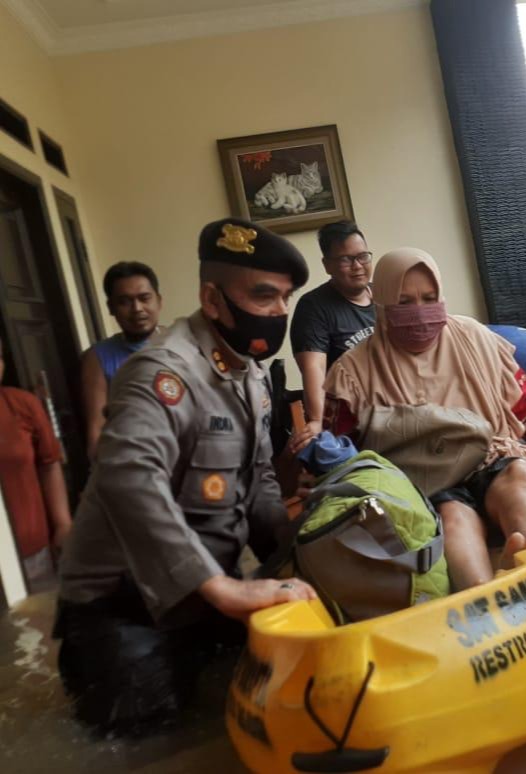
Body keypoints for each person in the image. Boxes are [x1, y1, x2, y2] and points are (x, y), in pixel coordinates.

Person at [55, 217, 318, 736]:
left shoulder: (252, 375)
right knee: (153, 740)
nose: (279, 313)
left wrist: (298, 551)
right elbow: (127, 476)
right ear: (212, 298)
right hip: (123, 608)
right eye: (264, 296)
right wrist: (224, 590)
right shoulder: (162, 373)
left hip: (201, 591)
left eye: (285, 298)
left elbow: (261, 477)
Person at [323, 248, 526, 591]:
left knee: (519, 476)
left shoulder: (474, 338)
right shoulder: (352, 373)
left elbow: (524, 399)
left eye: (429, 298)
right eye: (404, 302)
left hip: (491, 456)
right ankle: (484, 595)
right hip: (424, 480)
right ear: (380, 305)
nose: (420, 313)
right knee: (453, 519)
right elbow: (341, 451)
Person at [288, 221, 376, 455]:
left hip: (396, 401)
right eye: (346, 259)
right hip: (351, 417)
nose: (358, 266)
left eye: (363, 256)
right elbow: (314, 367)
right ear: (327, 265)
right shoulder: (314, 307)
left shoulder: (386, 296)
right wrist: (316, 420)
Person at [0, 338, 72, 588]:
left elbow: (50, 465)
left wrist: (63, 523)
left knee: (41, 622)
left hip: (34, 553)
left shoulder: (21, 404)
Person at [80, 261, 163, 460]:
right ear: (111, 307)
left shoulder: (184, 344)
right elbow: (96, 428)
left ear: (159, 301)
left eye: (144, 298)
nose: (137, 309)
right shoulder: (98, 357)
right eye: (125, 301)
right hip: (134, 460)